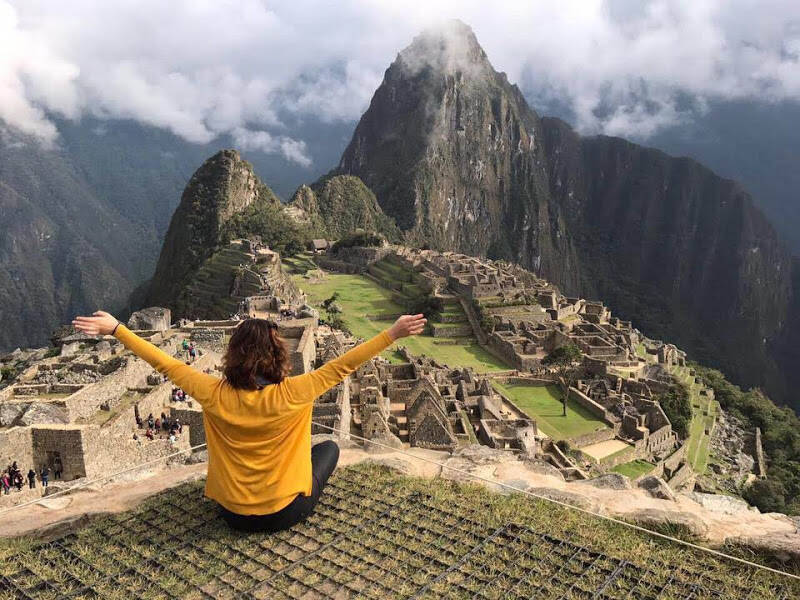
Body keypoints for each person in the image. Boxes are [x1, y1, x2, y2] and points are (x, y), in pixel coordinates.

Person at [72, 309, 425, 533]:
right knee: (329, 448)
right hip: (286, 511)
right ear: (278, 354)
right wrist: (392, 334)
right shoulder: (296, 392)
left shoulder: (212, 392)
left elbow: (164, 363)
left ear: (234, 354)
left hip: (232, 514)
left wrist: (117, 328)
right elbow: (343, 365)